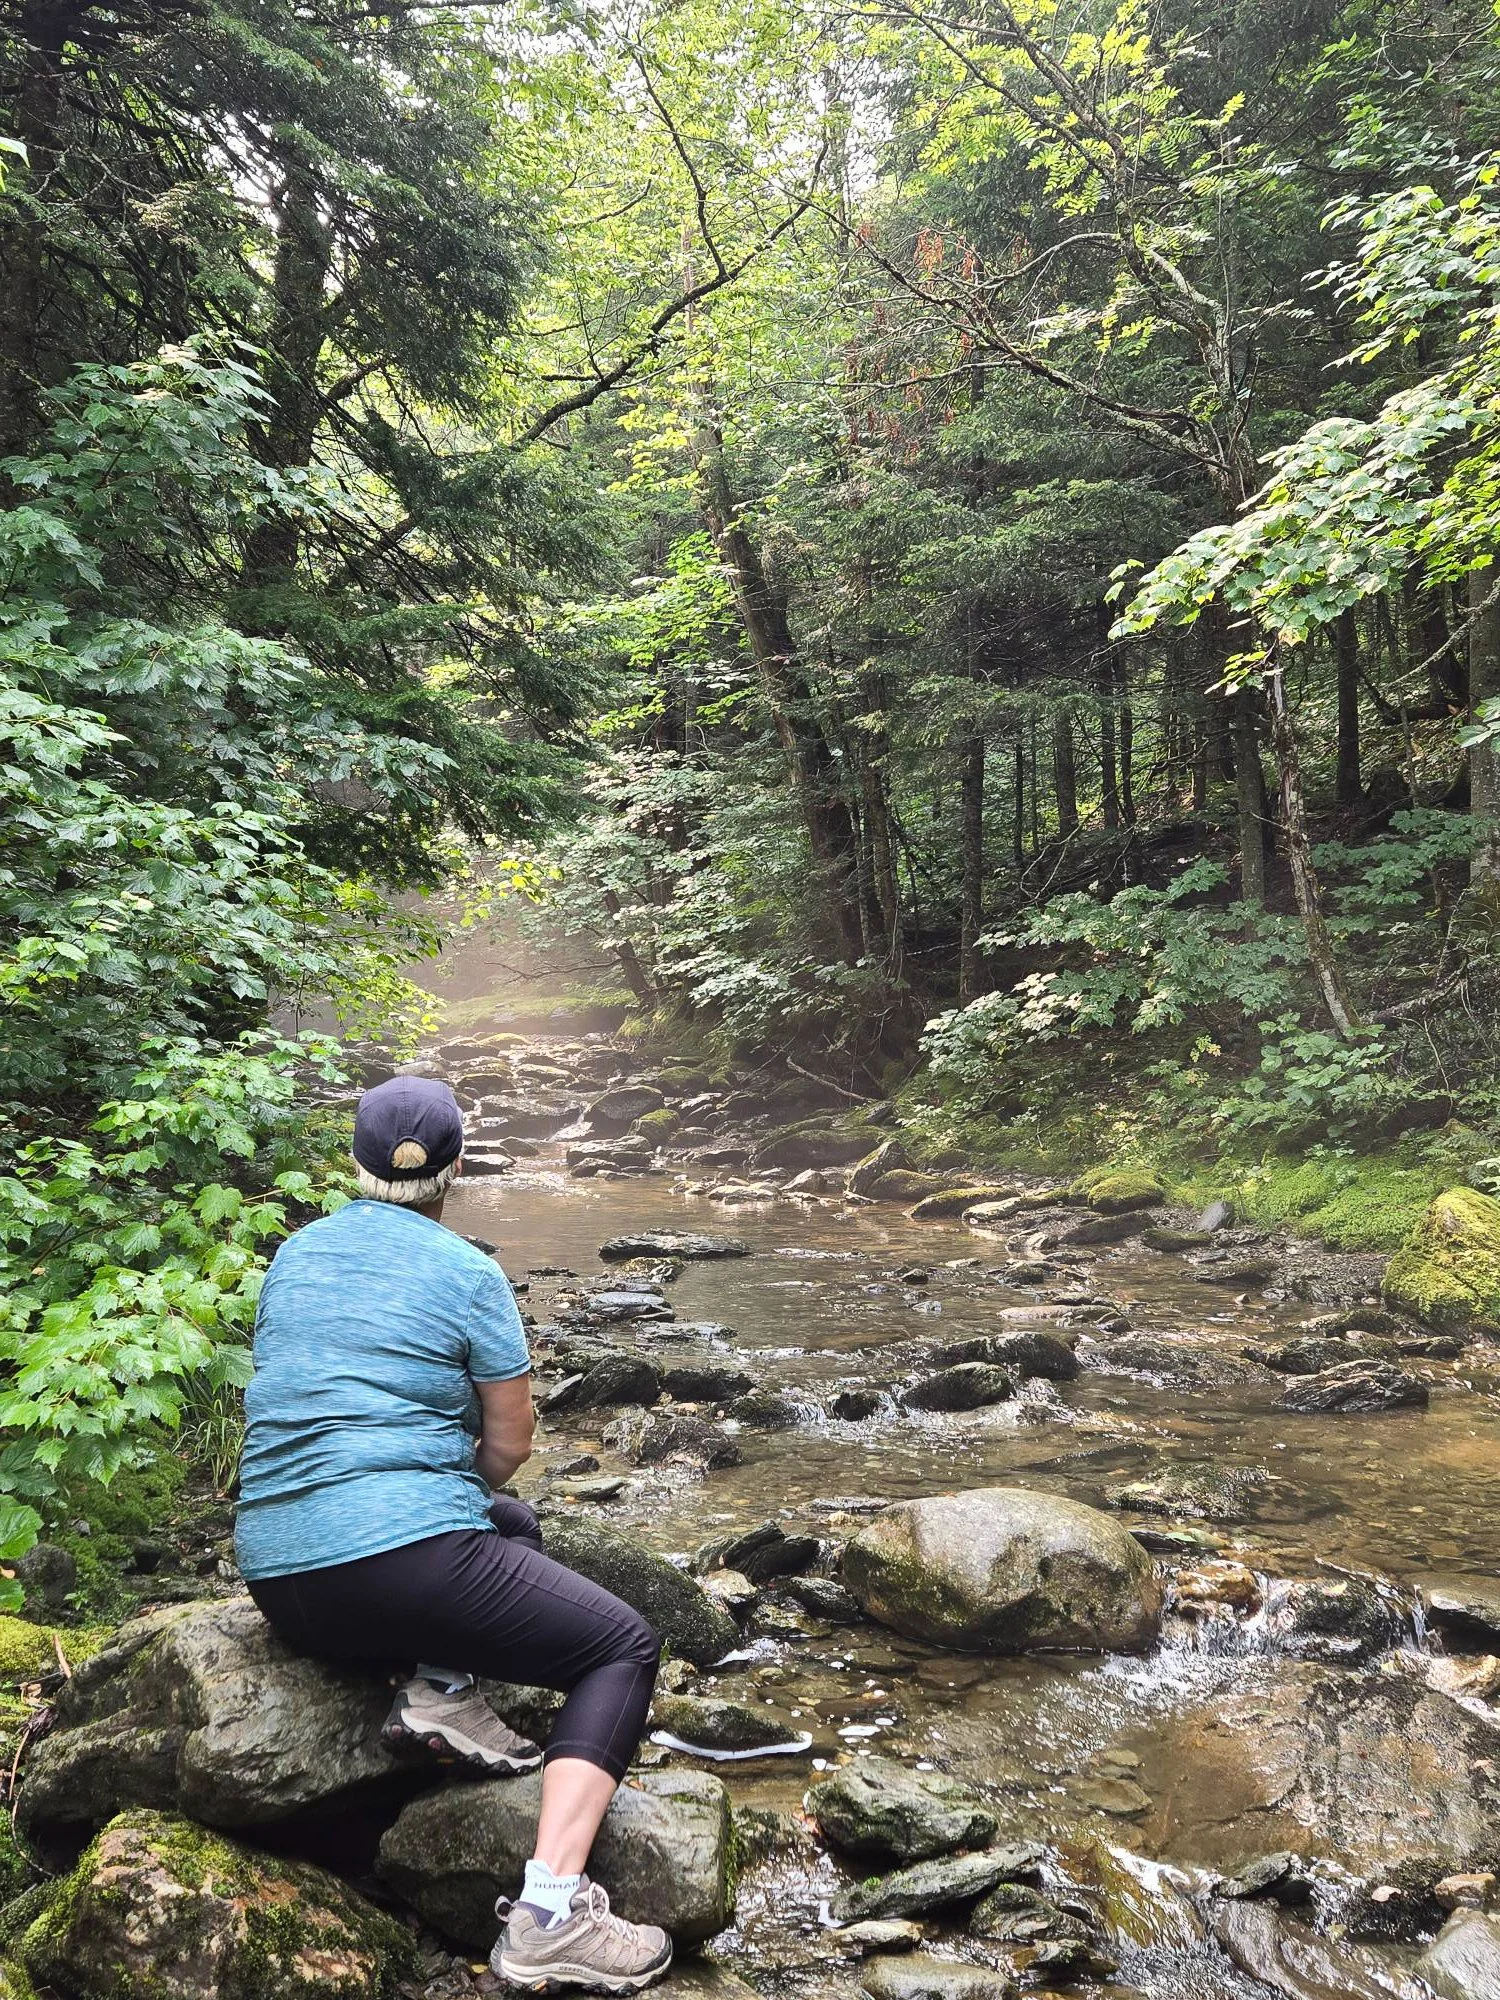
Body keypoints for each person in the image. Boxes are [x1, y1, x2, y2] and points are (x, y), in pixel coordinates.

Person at [235, 1075, 672, 1995]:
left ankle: (440, 1690)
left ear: (352, 1164)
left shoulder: (295, 1256)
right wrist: (423, 1494)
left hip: (281, 1578)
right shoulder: (468, 1273)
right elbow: (509, 1445)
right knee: (622, 1647)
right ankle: (552, 1912)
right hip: (399, 1571)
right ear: (457, 1169)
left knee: (510, 1528)